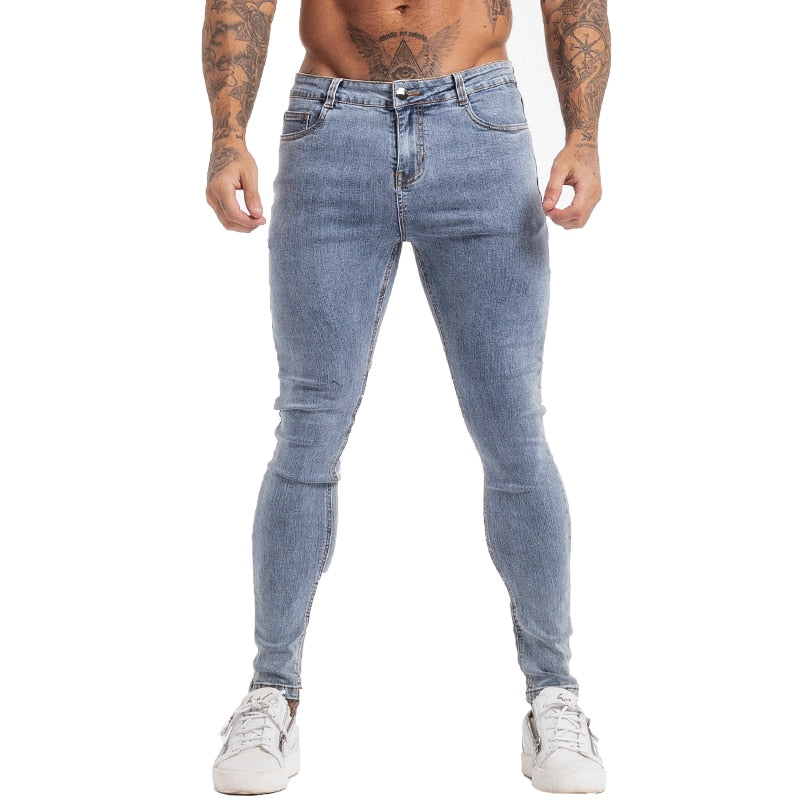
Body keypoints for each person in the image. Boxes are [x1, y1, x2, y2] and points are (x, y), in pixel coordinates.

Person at [202, 0, 611, 794]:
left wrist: (585, 138)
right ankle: (271, 692)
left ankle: (554, 694)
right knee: (308, 431)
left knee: (514, 429)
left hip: (479, 124)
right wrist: (227, 138)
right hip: (331, 127)